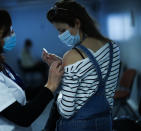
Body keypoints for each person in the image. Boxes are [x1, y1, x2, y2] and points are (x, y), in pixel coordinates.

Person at [0, 8, 64, 131]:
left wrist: (49, 82)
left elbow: (20, 91)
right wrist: (50, 85)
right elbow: (23, 117)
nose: (13, 33)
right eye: (8, 31)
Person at [42, 0, 120, 130]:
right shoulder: (113, 47)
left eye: (62, 30)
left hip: (78, 125)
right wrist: (65, 66)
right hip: (105, 122)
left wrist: (58, 88)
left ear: (77, 23)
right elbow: (94, 75)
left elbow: (66, 111)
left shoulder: (72, 55)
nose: (60, 36)